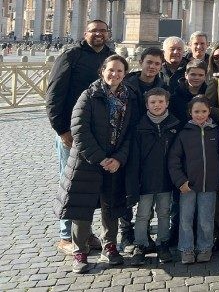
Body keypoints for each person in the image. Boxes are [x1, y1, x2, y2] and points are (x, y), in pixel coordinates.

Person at [54, 55, 139, 274]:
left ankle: (109, 245)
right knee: (82, 208)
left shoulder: (129, 97)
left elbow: (130, 132)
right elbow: (80, 131)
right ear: (102, 71)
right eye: (111, 70)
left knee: (111, 206)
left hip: (114, 163)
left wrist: (119, 158)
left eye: (120, 71)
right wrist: (100, 158)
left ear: (125, 73)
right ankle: (80, 251)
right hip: (87, 162)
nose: (115, 74)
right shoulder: (88, 95)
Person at [47, 19, 113, 254]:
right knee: (70, 181)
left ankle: (84, 233)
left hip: (98, 134)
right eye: (94, 31)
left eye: (102, 31)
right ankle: (66, 236)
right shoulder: (70, 55)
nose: (98, 34)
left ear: (108, 34)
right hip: (71, 132)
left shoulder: (109, 56)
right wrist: (61, 129)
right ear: (85, 33)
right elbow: (54, 93)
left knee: (90, 185)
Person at [128, 87, 181, 265]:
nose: (157, 105)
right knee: (143, 214)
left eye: (160, 102)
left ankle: (162, 243)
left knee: (164, 213)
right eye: (153, 102)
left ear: (167, 103)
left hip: (166, 179)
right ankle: (141, 244)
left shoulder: (175, 124)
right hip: (145, 179)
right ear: (146, 105)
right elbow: (134, 157)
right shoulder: (139, 126)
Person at [168, 96, 219, 265]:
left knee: (206, 219)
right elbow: (174, 160)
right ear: (190, 112)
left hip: (210, 185)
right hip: (188, 186)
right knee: (186, 219)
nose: (200, 115)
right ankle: (186, 249)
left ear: (209, 112)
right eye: (196, 111)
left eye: (204, 111)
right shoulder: (184, 133)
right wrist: (180, 181)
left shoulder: (216, 131)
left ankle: (205, 247)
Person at [124, 47, 167, 119]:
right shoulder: (125, 86)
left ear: (160, 67)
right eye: (149, 62)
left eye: (157, 64)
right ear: (141, 62)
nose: (152, 66)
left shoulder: (164, 89)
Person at [169, 59, 208, 127]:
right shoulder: (175, 97)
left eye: (200, 75)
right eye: (193, 74)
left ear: (205, 76)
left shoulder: (209, 95)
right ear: (186, 75)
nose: (196, 78)